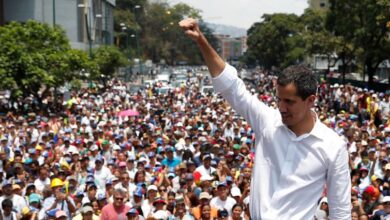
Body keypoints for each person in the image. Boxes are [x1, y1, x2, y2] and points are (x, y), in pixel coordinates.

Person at [179, 18, 351, 219]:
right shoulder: (267, 121)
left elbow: (340, 211)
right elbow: (231, 86)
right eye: (279, 99)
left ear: (310, 100)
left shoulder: (333, 146)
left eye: (289, 101)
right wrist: (201, 40)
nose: (281, 107)